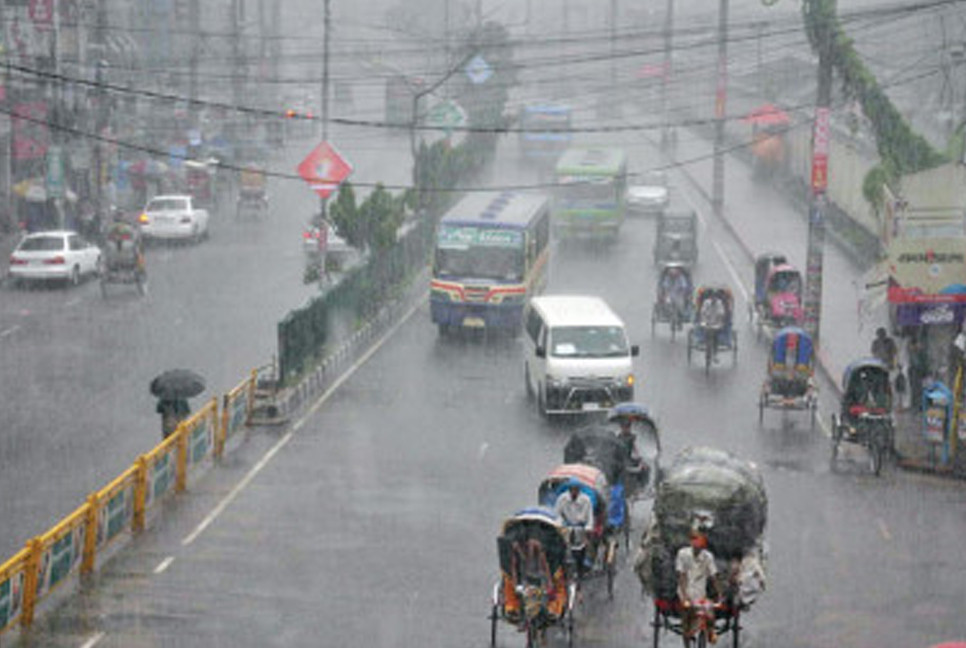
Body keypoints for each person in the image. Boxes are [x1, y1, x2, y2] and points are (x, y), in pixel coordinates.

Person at [675, 529, 722, 645]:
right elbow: (682, 576)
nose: (697, 548)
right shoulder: (683, 554)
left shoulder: (708, 557)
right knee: (686, 622)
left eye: (699, 546)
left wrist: (719, 594)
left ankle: (710, 633)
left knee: (710, 616)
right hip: (685, 593)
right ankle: (686, 642)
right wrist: (684, 596)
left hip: (701, 595)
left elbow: (713, 576)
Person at [553, 482, 594, 577]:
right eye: (572, 489)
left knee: (582, 550)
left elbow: (590, 518)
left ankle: (583, 566)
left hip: (581, 529)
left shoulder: (586, 500)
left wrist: (588, 529)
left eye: (576, 489)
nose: (574, 492)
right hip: (567, 528)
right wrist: (560, 525)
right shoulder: (562, 499)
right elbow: (557, 514)